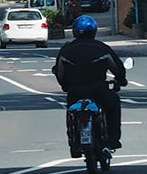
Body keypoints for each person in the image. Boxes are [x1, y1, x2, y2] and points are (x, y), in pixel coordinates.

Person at [52, 15, 127, 149]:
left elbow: (59, 72)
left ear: (75, 32)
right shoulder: (102, 48)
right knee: (113, 103)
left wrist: (64, 85)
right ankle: (113, 139)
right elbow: (117, 67)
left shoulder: (66, 50)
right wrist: (121, 80)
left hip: (75, 91)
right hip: (99, 90)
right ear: (94, 31)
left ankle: (73, 138)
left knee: (71, 111)